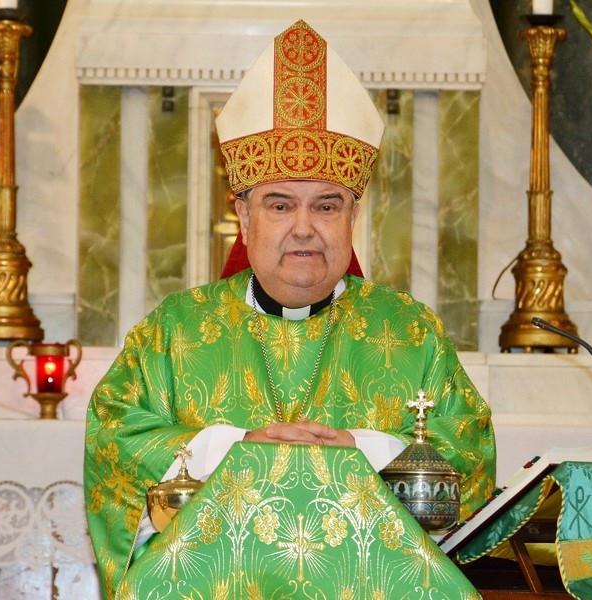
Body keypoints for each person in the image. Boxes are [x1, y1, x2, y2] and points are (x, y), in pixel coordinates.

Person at [85, 19, 495, 599]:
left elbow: (469, 458)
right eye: (280, 205)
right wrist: (236, 449)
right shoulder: (173, 333)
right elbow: (113, 441)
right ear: (243, 215)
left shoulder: (411, 333)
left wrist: (365, 452)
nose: (304, 228)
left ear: (353, 216)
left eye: (326, 206)